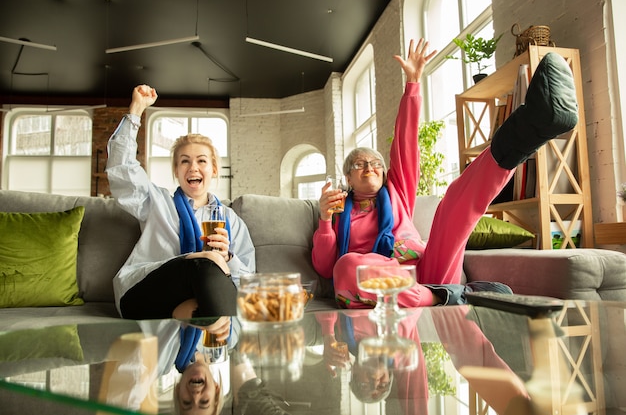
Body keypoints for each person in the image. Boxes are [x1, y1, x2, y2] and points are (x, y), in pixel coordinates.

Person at [312, 37, 578, 307]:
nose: (369, 167)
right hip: (382, 281)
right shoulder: (338, 210)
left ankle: (532, 125)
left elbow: (405, 142)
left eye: (375, 163)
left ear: (385, 173)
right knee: (346, 267)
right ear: (348, 178)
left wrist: (412, 85)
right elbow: (324, 268)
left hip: (430, 270)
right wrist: (324, 219)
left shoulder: (396, 191)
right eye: (359, 164)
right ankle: (443, 296)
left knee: (453, 204)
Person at [106, 84, 255, 320]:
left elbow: (247, 283)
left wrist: (228, 258)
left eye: (202, 161)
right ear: (176, 170)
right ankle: (197, 317)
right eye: (184, 161)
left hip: (206, 297)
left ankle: (195, 331)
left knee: (210, 280)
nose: (193, 167)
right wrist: (136, 110)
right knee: (206, 263)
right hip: (145, 294)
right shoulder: (156, 202)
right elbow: (121, 170)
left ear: (214, 169)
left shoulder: (230, 221)